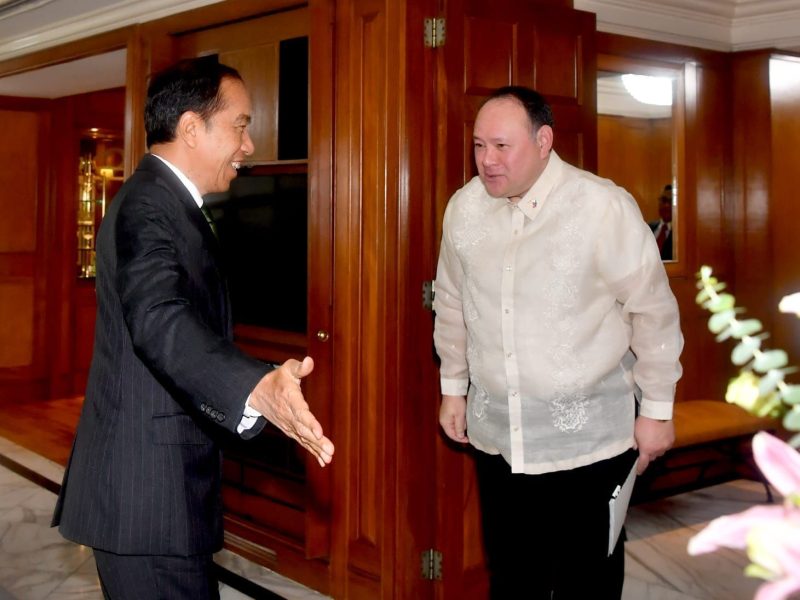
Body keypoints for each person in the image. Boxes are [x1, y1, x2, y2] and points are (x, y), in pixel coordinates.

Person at [52, 57, 334, 600]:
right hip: (145, 498)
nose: (248, 145)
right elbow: (158, 318)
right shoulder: (148, 205)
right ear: (190, 128)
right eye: (241, 125)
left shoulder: (167, 201)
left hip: (160, 492)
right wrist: (252, 386)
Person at [433, 86, 683, 599]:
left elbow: (653, 312)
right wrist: (453, 387)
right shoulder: (463, 209)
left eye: (502, 146)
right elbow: (453, 302)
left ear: (544, 140)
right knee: (512, 578)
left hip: (590, 441)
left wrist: (657, 410)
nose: (486, 160)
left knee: (586, 583)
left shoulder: (602, 207)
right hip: (498, 437)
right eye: (479, 146)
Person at [649, 184, 674, 260]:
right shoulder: (648, 227)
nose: (666, 205)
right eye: (664, 200)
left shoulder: (681, 234)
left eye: (670, 201)